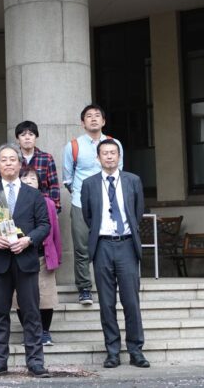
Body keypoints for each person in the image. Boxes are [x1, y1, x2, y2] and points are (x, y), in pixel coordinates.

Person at [0, 144, 51, 379]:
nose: (8, 163)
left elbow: (45, 225)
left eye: (12, 160)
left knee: (30, 313)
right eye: (3, 160)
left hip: (25, 260)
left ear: (19, 164)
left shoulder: (34, 194)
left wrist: (28, 240)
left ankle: (35, 362)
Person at [81, 139, 149, 369]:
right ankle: (112, 351)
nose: (109, 157)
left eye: (113, 153)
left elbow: (137, 212)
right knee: (107, 303)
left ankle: (136, 350)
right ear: (98, 158)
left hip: (127, 245)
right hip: (102, 246)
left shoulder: (133, 181)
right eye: (105, 153)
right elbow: (88, 216)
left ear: (119, 157)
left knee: (131, 301)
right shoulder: (89, 184)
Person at [62, 104, 124, 306]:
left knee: (107, 244)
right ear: (83, 122)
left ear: (104, 121)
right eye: (89, 116)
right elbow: (68, 178)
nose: (94, 119)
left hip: (109, 202)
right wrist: (83, 195)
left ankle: (107, 284)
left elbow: (119, 173)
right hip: (81, 202)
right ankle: (85, 288)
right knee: (81, 247)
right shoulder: (73, 146)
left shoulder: (114, 144)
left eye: (97, 116)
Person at [18, 165, 62, 347]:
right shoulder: (14, 202)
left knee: (46, 297)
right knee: (20, 298)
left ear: (39, 183)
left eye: (33, 179)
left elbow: (55, 233)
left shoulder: (49, 203)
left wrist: (57, 256)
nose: (29, 182)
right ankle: (29, 331)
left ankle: (44, 331)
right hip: (20, 255)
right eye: (25, 178)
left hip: (43, 256)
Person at [16, 120, 61, 213]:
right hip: (18, 205)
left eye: (31, 134)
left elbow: (54, 185)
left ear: (36, 137)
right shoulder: (13, 159)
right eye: (23, 135)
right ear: (17, 139)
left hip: (42, 205)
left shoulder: (46, 158)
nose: (27, 138)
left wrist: (54, 208)